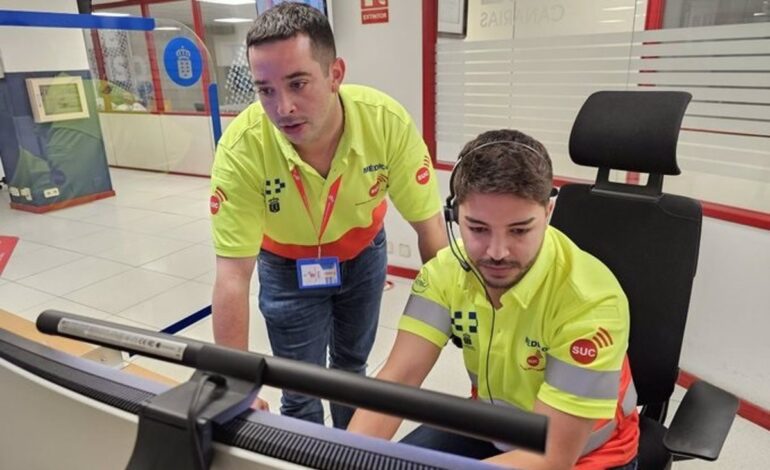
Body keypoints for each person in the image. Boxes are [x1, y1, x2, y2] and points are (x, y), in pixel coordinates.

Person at [209, 2, 447, 429]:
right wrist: (233, 384)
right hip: (286, 266)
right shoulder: (241, 149)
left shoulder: (385, 123)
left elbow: (431, 233)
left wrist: (465, 317)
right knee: (300, 387)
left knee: (351, 372)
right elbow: (232, 276)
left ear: (335, 73)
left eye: (298, 83)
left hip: (362, 256)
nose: (283, 108)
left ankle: (348, 453)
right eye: (266, 90)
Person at [347, 129, 639, 469]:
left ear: (548, 212)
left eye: (519, 230)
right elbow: (397, 382)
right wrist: (345, 456)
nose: (497, 253)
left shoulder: (591, 301)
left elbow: (552, 457)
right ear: (455, 216)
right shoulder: (445, 272)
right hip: (491, 426)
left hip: (588, 455)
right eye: (478, 228)